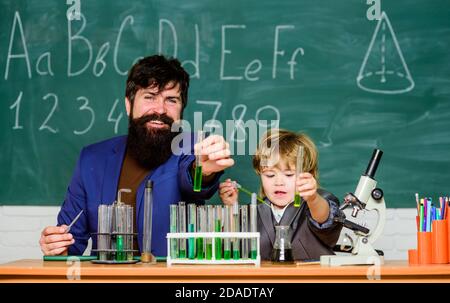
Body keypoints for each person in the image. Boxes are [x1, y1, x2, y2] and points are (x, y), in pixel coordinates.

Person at [39, 55, 234, 257]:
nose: (160, 109)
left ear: (181, 109)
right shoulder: (92, 159)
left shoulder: (192, 147)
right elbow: (71, 242)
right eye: (149, 97)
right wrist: (57, 246)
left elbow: (193, 177)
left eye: (171, 100)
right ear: (128, 104)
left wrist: (203, 171)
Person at [219, 129, 342, 261]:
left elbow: (324, 219)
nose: (278, 182)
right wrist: (232, 208)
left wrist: (312, 198)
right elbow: (233, 246)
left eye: (289, 175)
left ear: (308, 174)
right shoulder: (253, 211)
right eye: (270, 175)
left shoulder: (318, 202)